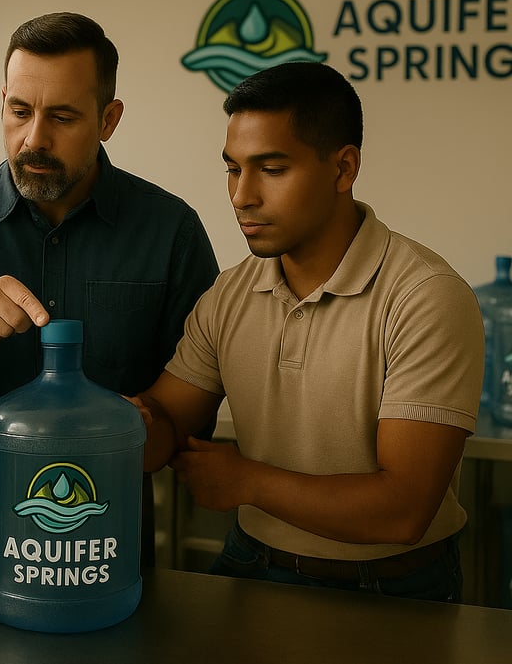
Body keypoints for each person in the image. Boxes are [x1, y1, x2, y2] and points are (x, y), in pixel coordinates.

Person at [133, 61, 484, 601]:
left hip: (392, 584)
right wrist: (118, 426)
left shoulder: (426, 296)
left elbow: (405, 510)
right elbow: (166, 421)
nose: (241, 196)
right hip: (252, 557)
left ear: (343, 169)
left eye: (271, 169)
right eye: (233, 169)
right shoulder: (228, 295)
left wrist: (248, 481)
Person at [0, 12, 219, 562]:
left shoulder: (170, 231)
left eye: (62, 117)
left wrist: (147, 423)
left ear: (108, 119)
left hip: (105, 543)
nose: (34, 139)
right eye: (19, 111)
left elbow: (197, 404)